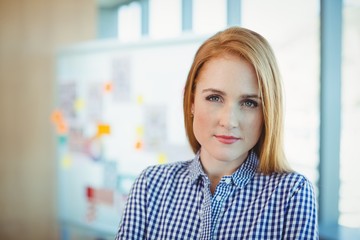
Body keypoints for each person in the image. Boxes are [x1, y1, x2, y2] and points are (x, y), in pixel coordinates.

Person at [115, 26, 318, 239]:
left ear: (267, 111)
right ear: (191, 101)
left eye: (249, 103)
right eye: (214, 98)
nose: (229, 121)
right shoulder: (150, 185)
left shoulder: (292, 194)